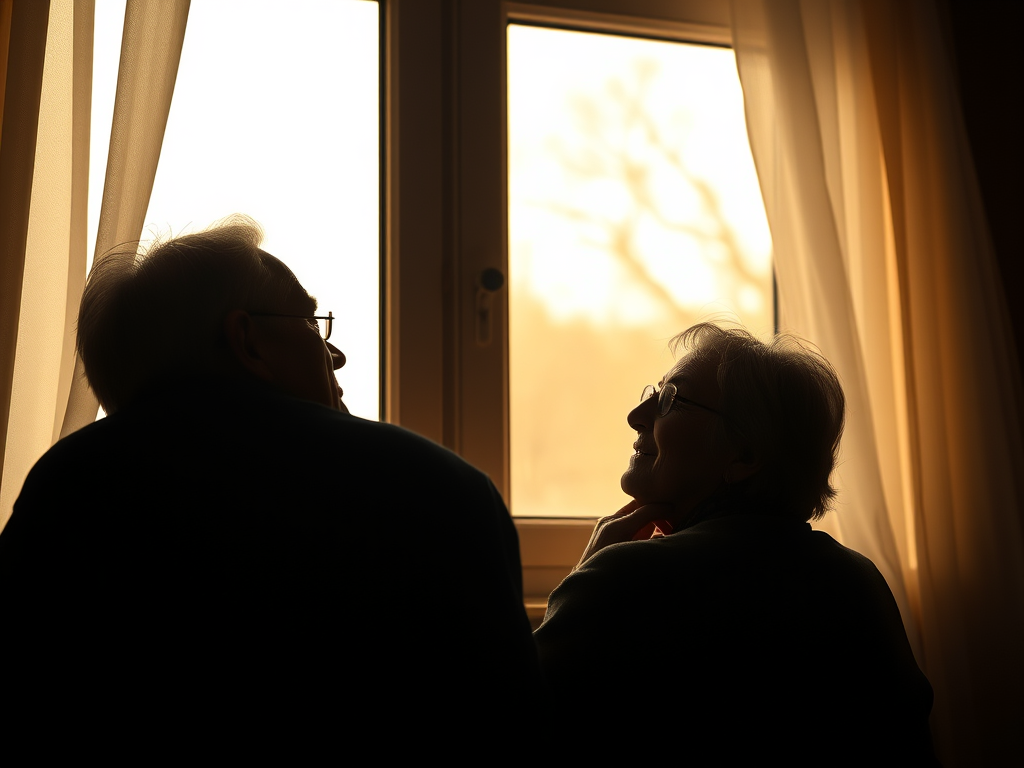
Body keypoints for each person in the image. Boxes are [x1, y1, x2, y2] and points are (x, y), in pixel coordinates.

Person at [0, 216, 542, 747]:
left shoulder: (63, 490)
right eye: (310, 323)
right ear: (248, 342)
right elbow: (503, 736)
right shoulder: (438, 490)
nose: (336, 353)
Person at [533, 323, 937, 765]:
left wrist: (587, 571)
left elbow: (504, 726)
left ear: (744, 455)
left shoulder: (625, 579)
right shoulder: (857, 580)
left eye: (671, 400)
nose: (637, 413)